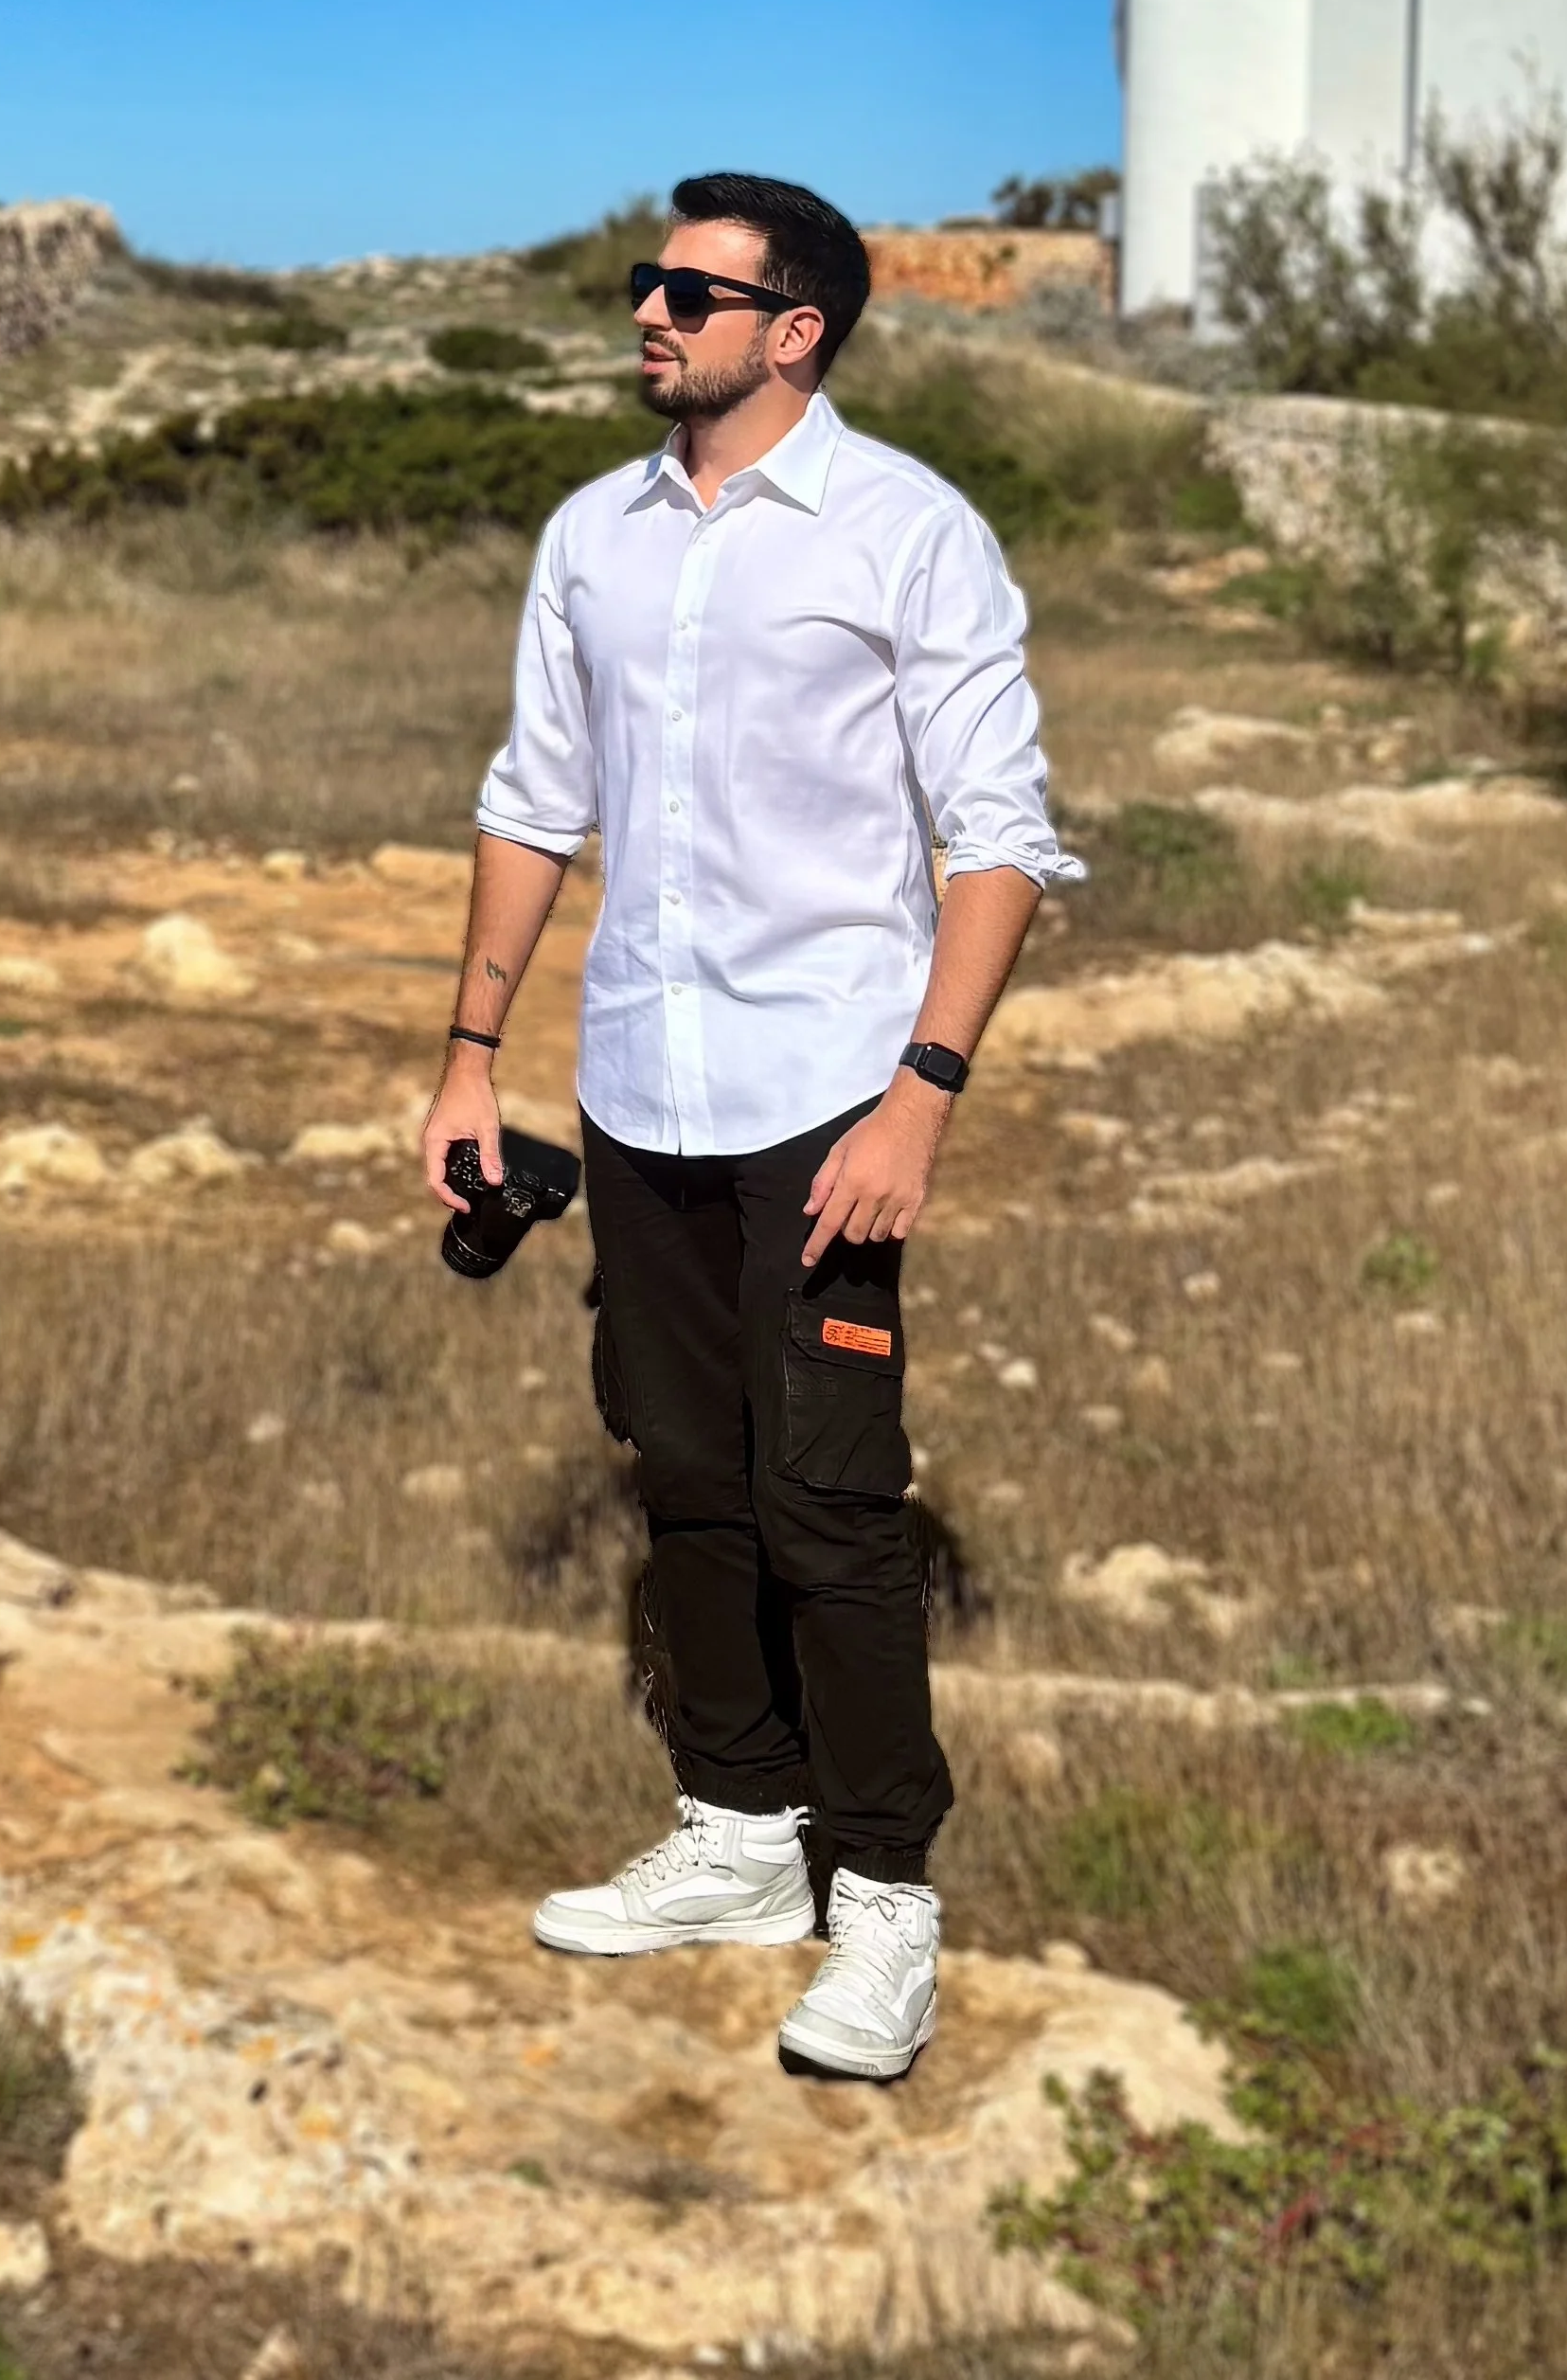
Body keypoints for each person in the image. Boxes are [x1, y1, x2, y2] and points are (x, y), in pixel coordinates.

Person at [421, 170, 1078, 2083]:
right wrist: (469, 1057)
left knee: (829, 1501)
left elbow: (997, 838)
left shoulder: (903, 532)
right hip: (637, 1085)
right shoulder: (591, 537)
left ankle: (882, 1902)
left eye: (690, 294)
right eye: (644, 281)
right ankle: (734, 1833)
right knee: (682, 1471)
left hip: (827, 1097)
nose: (648, 313)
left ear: (794, 331)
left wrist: (920, 1102)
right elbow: (532, 802)